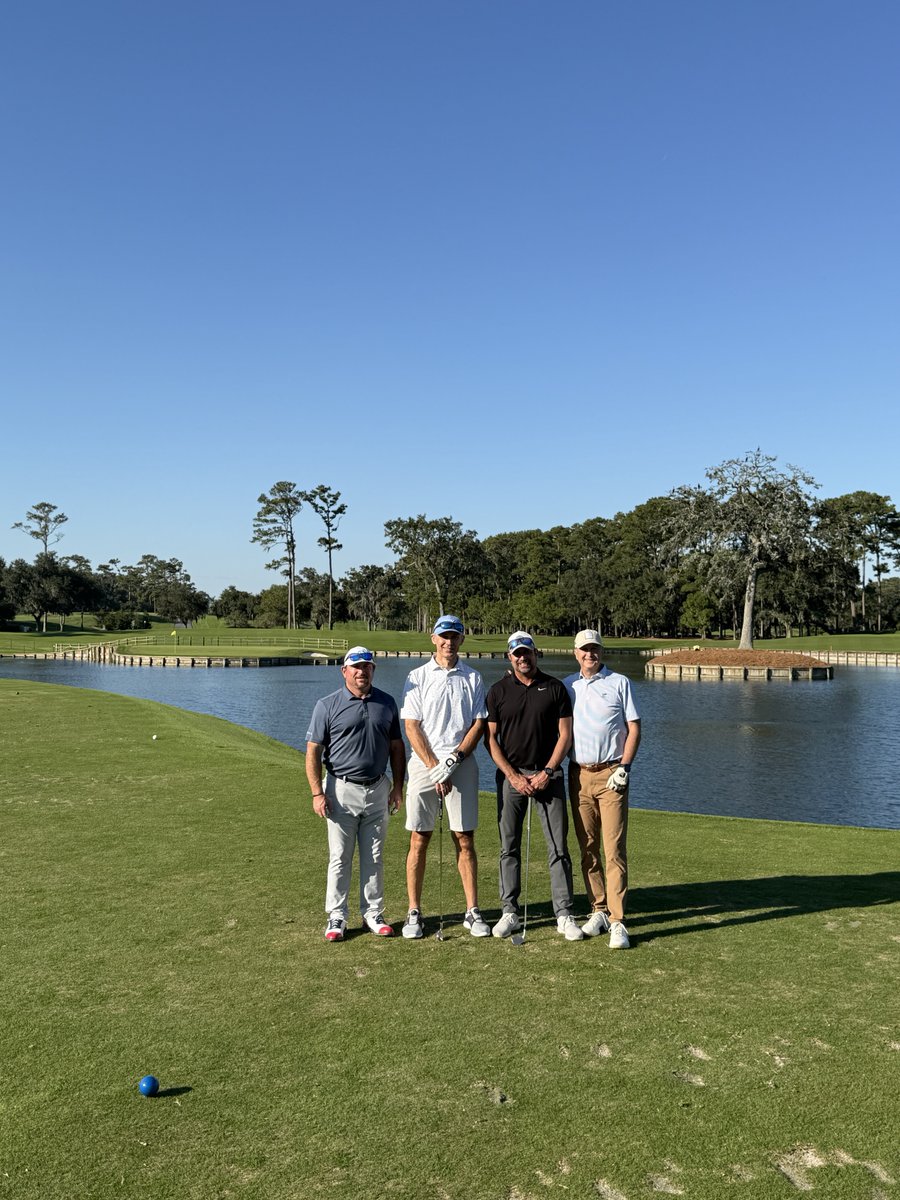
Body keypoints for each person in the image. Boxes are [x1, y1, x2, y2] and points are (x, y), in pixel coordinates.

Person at [486, 631, 584, 941]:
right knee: (508, 847)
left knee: (558, 847)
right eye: (516, 653)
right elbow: (490, 739)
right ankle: (509, 911)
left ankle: (564, 914)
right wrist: (513, 775)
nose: (522, 657)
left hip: (548, 777)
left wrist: (547, 770)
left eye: (526, 652)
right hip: (510, 778)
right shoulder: (498, 691)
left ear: (535, 653)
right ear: (509, 657)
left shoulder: (554, 688)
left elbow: (565, 735)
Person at [305, 646, 406, 942]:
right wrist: (316, 793)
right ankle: (336, 915)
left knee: (374, 855)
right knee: (340, 856)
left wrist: (398, 786)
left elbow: (397, 748)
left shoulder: (386, 703)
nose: (362, 671)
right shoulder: (327, 705)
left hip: (378, 788)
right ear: (345, 671)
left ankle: (372, 912)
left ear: (373, 669)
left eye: (368, 666)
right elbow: (313, 751)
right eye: (356, 667)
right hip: (340, 789)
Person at [399, 614, 490, 938]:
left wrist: (453, 760)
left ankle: (472, 911)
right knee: (419, 838)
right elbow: (411, 725)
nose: (448, 642)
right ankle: (413, 912)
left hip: (461, 763)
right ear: (433, 639)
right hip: (424, 764)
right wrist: (435, 765)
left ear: (462, 640)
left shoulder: (473, 678)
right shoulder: (417, 676)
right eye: (443, 636)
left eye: (454, 636)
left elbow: (478, 724)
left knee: (464, 838)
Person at [563, 630, 641, 950]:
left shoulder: (619, 682)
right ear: (576, 653)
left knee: (614, 849)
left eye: (594, 649)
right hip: (578, 774)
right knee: (588, 847)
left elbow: (634, 727)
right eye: (584, 650)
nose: (590, 654)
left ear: (600, 651)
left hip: (612, 774)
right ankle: (598, 909)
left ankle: (618, 921)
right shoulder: (568, 686)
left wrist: (624, 767)